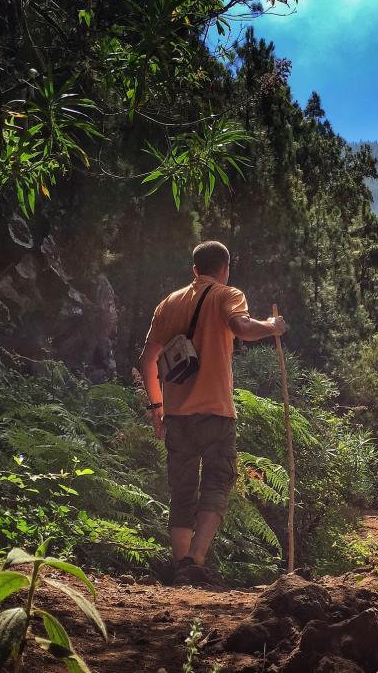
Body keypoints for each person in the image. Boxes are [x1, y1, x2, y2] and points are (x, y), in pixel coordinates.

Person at [139, 240, 286, 584]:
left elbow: (146, 361)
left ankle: (180, 566)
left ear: (194, 269)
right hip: (217, 413)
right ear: (225, 269)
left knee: (182, 489)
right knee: (218, 484)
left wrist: (156, 406)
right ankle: (197, 560)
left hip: (177, 415)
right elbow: (243, 329)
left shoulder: (168, 304)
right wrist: (272, 326)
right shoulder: (227, 294)